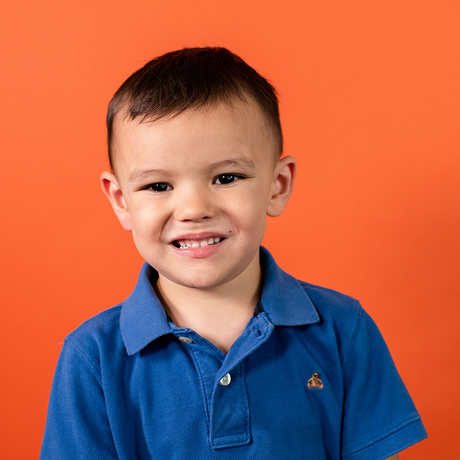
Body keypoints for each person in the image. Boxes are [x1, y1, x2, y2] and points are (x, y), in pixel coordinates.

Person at [40, 47, 427, 459]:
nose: (194, 209)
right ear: (121, 201)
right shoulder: (92, 358)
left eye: (226, 177)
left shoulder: (343, 330)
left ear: (277, 185)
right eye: (158, 186)